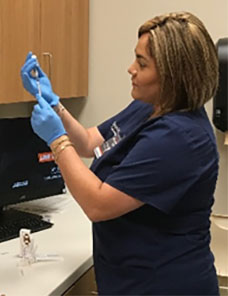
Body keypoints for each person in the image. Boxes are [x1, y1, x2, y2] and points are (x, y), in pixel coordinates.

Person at [21, 11, 219, 295]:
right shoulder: (149, 106)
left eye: (142, 63)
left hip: (164, 283)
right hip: (129, 277)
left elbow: (98, 204)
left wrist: (56, 140)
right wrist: (55, 105)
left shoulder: (180, 137)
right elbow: (91, 142)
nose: (131, 69)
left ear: (172, 75)